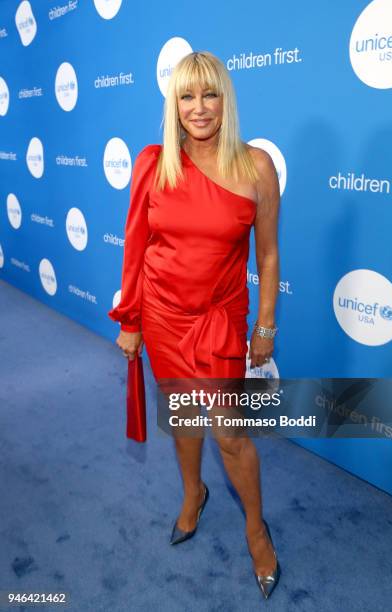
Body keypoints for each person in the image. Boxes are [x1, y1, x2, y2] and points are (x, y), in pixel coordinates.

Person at [108, 50, 281, 600]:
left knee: (229, 432)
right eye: (187, 96)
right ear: (173, 104)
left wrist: (265, 327)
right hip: (160, 314)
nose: (199, 107)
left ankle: (255, 529)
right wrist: (131, 318)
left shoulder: (256, 167)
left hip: (218, 319)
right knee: (181, 416)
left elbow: (269, 256)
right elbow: (135, 249)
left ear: (225, 99)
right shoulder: (154, 163)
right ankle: (193, 495)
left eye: (210, 94)